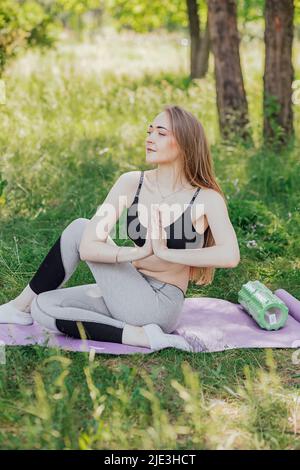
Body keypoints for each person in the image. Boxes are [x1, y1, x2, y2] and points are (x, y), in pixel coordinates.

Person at [0, 105, 240, 352]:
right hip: (126, 287)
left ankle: (19, 307)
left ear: (185, 143)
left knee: (80, 228)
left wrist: (166, 253)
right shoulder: (131, 183)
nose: (149, 139)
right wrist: (134, 254)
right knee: (43, 306)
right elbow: (88, 246)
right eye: (149, 132)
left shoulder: (205, 198)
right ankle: (142, 337)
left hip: (159, 304)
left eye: (160, 133)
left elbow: (230, 255)